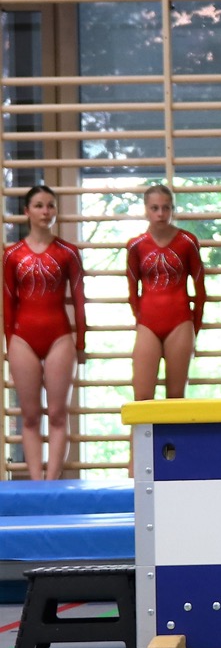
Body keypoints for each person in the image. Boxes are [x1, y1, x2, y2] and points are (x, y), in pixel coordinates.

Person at [3, 185, 86, 479]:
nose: (46, 211)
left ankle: (52, 483)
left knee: (58, 414)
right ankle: (37, 483)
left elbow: (79, 301)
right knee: (29, 416)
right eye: (39, 205)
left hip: (59, 337)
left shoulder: (68, 252)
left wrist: (81, 342)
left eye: (51, 205)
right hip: (22, 339)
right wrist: (10, 343)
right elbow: (8, 303)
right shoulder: (12, 255)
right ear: (27, 211)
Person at [126, 184, 207, 401]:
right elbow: (132, 291)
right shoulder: (136, 245)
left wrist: (195, 327)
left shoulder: (187, 242)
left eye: (166, 208)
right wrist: (141, 318)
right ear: (146, 210)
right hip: (148, 323)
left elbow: (200, 290)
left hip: (180, 322)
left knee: (175, 397)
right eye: (155, 208)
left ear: (172, 209)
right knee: (142, 397)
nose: (161, 214)